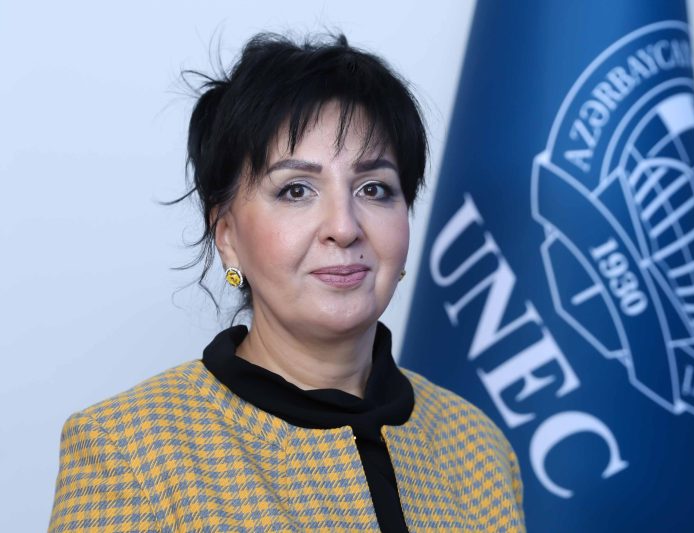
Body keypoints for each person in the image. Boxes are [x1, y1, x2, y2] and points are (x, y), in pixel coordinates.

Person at [49, 33, 525, 532]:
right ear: (227, 237)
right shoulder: (127, 452)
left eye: (374, 189)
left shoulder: (479, 448)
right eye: (296, 190)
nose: (344, 227)